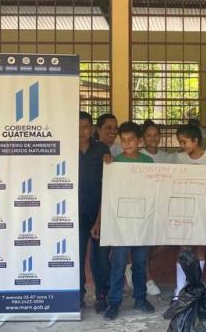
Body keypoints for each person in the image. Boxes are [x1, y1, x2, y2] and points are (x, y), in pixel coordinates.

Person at [92, 121, 155, 321]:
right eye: (124, 140)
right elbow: (107, 194)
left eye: (131, 140)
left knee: (140, 262)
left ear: (139, 141)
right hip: (120, 223)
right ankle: (114, 302)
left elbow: (155, 192)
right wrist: (100, 220)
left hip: (141, 221)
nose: (127, 143)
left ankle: (140, 298)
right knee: (118, 262)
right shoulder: (114, 162)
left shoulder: (148, 162)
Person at [173, 123, 206, 300]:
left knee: (201, 244)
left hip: (204, 206)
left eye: (184, 142)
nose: (182, 145)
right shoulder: (179, 158)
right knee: (184, 246)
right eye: (180, 142)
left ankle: (197, 283)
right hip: (183, 206)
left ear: (196, 140)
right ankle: (180, 286)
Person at [78, 111, 111, 313]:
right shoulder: (64, 149)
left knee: (101, 259)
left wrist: (100, 218)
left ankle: (101, 295)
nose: (81, 132)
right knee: (77, 256)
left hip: (99, 211)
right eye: (77, 127)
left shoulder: (102, 149)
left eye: (85, 127)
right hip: (75, 214)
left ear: (92, 129)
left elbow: (108, 183)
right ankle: (78, 296)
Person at [136, 120, 169, 297]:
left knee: (162, 242)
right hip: (144, 206)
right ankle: (147, 278)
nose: (153, 138)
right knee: (145, 242)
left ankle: (135, 265)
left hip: (162, 205)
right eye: (149, 135)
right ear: (143, 138)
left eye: (156, 135)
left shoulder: (168, 157)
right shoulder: (138, 155)